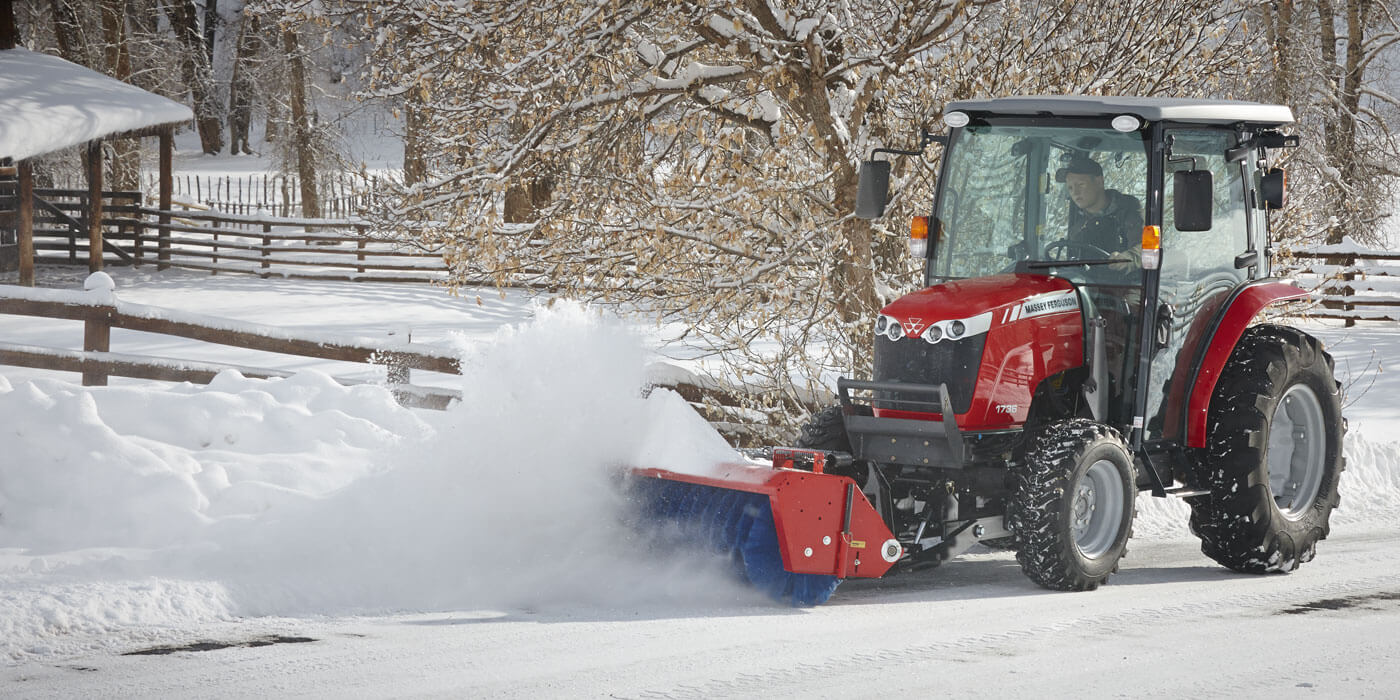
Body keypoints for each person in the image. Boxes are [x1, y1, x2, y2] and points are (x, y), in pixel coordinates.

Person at [1059, 156, 1143, 269]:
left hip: (1127, 284)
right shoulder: (1077, 228)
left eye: (1080, 185)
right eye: (1070, 188)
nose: (1075, 192)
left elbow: (1145, 249)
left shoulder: (1129, 212)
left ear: (1099, 181)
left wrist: (1126, 258)